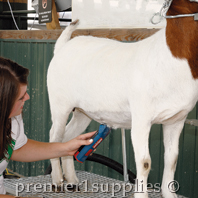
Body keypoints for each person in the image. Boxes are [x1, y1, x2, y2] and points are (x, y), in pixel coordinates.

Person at [0, 57, 94, 197]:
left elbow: (17, 148)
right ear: (3, 102)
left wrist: (66, 148)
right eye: (21, 97)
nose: (28, 97)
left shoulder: (13, 117)